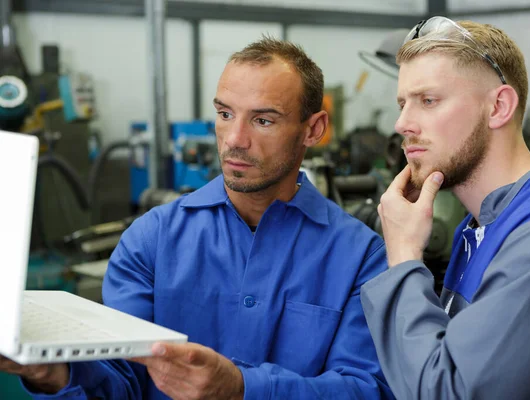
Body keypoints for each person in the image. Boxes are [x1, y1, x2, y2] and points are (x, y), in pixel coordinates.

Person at [0, 37, 394, 399]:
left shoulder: (361, 257)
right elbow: (121, 380)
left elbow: (365, 389)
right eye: (225, 114)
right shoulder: (152, 240)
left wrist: (243, 390)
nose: (235, 139)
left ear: (314, 129)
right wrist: (55, 373)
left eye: (263, 120)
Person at [360, 16, 530, 399]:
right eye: (403, 103)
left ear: (498, 108)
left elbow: (448, 392)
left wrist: (404, 258)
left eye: (428, 100)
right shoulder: (481, 225)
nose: (402, 122)